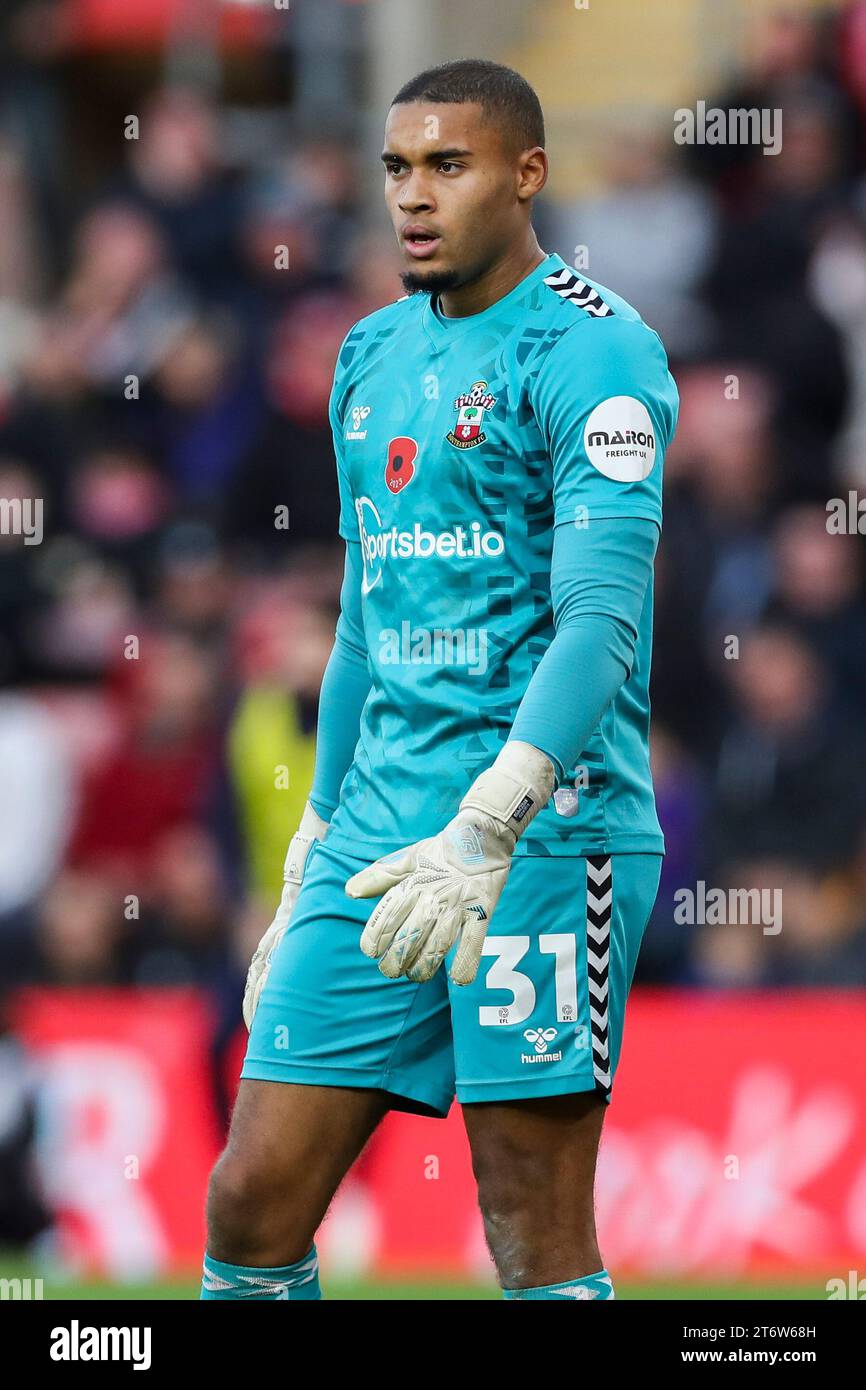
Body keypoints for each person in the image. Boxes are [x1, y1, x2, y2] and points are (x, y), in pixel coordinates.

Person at [201, 58, 678, 1302]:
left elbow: (599, 625)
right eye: (397, 168)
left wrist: (489, 819)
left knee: (526, 1218)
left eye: (447, 166)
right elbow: (366, 618)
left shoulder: (598, 356)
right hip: (374, 831)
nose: (413, 196)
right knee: (249, 1197)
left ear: (525, 176)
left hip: (541, 834)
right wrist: (311, 835)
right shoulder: (366, 355)